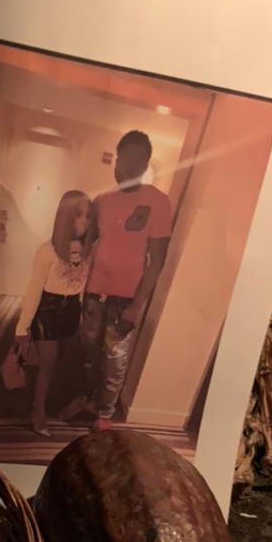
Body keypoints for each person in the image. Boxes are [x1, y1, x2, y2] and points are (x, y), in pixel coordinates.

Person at [63, 130, 172, 430]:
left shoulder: (158, 201)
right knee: (87, 352)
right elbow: (88, 243)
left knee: (114, 358)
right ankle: (87, 398)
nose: (127, 168)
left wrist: (137, 306)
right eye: (123, 161)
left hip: (126, 297)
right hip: (94, 292)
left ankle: (104, 415)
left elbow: (157, 260)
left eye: (136, 163)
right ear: (116, 159)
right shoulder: (102, 200)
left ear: (146, 165)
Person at [15, 190, 92, 437]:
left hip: (72, 309)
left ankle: (65, 405)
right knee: (47, 364)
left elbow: (83, 285)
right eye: (79, 215)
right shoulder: (47, 251)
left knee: (68, 362)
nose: (85, 221)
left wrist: (83, 313)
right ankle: (37, 409)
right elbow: (34, 290)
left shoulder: (89, 250)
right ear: (66, 217)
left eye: (88, 215)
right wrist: (22, 327)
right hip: (47, 310)